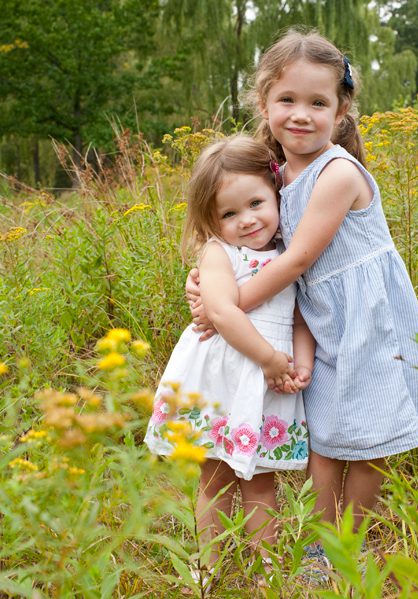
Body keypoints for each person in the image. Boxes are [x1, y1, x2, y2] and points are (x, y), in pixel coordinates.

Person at [185, 30, 418, 577]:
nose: (301, 115)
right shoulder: (274, 172)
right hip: (320, 320)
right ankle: (319, 550)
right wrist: (206, 282)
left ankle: (345, 544)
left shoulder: (338, 172)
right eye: (287, 101)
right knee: (324, 438)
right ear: (264, 104)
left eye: (318, 103)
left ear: (342, 110)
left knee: (366, 440)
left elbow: (296, 259)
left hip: (367, 321)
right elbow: (250, 242)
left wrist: (221, 304)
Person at [145, 135, 315, 587]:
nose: (247, 220)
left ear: (276, 192)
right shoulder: (219, 252)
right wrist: (268, 359)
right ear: (211, 220)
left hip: (268, 376)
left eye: (256, 203)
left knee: (261, 482)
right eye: (228, 213)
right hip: (226, 374)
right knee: (214, 479)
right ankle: (208, 569)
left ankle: (267, 572)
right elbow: (220, 311)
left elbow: (301, 315)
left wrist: (299, 362)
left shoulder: (289, 251)